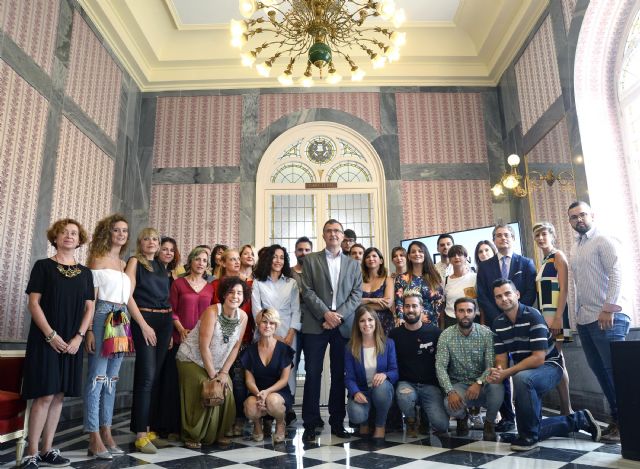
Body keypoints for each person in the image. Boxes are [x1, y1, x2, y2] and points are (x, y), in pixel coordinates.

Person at [487, 279, 601, 451]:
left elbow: (538, 358)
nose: (504, 298)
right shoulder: (497, 324)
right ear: (495, 300)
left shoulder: (533, 315)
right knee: (530, 428)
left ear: (517, 294)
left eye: (507, 293)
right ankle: (579, 419)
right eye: (498, 296)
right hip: (526, 371)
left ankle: (529, 436)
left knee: (521, 379)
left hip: (550, 366)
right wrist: (498, 372)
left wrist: (507, 373)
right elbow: (501, 359)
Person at [20, 219, 94, 469]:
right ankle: (31, 452)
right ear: (55, 237)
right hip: (45, 339)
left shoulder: (86, 273)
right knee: (45, 394)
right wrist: (50, 336)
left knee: (59, 395)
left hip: (72, 341)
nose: (69, 236)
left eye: (74, 233)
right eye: (64, 232)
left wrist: (79, 337)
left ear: (79, 239)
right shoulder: (43, 266)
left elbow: (89, 308)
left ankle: (47, 450)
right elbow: (33, 304)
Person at [567, 201, 631, 442]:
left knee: (615, 373)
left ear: (592, 215)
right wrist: (577, 316)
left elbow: (617, 272)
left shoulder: (604, 239)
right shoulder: (576, 246)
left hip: (608, 317)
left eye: (582, 215)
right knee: (600, 372)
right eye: (574, 217)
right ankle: (617, 420)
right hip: (586, 320)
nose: (579, 219)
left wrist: (608, 307)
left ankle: (628, 424)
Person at [300, 219, 363, 442]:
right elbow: (306, 290)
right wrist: (325, 314)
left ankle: (337, 422)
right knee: (312, 373)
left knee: (339, 375)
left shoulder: (353, 264)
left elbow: (356, 294)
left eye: (337, 231)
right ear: (323, 235)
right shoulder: (310, 260)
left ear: (343, 236)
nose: (333, 234)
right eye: (329, 231)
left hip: (343, 326)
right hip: (316, 323)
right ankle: (310, 423)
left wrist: (338, 316)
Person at [476, 223, 536, 432]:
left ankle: (529, 414)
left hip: (523, 325)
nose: (503, 238)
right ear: (494, 240)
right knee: (499, 368)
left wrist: (516, 315)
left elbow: (530, 292)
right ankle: (508, 417)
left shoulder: (526, 263)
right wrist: (500, 318)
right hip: (496, 326)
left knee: (523, 370)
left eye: (506, 235)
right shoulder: (485, 266)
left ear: (512, 238)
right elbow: (483, 296)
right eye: (498, 235)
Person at [176, 277, 248, 448]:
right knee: (206, 384)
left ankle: (218, 433)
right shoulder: (212, 311)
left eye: (239, 293)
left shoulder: (243, 316)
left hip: (218, 364)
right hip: (191, 358)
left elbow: (235, 348)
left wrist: (223, 373)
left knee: (226, 385)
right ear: (223, 294)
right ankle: (193, 435)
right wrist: (213, 375)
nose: (235, 296)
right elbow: (203, 346)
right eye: (231, 292)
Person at [84, 214, 131, 460]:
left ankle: (107, 431)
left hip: (122, 318)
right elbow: (90, 299)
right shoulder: (97, 259)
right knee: (97, 377)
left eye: (125, 230)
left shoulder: (123, 263)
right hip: (103, 315)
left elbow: (127, 298)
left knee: (112, 379)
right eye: (116, 230)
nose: (121, 234)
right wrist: (90, 330)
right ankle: (93, 435)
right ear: (107, 232)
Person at [156, 247, 215, 439]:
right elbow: (170, 309)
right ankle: (172, 427)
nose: (200, 263)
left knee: (195, 384)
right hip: (179, 338)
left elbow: (213, 314)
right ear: (190, 262)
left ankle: (194, 427)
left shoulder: (210, 288)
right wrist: (181, 329)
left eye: (204, 260)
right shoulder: (178, 284)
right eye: (197, 259)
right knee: (174, 384)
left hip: (201, 344)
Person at [125, 228, 174, 453]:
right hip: (144, 318)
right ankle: (140, 435)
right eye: (147, 238)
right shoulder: (135, 262)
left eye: (155, 239)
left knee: (155, 377)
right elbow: (127, 296)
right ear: (140, 242)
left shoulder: (162, 266)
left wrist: (169, 330)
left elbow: (166, 298)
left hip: (164, 322)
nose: (151, 242)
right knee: (146, 376)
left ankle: (149, 429)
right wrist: (143, 325)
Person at [435, 298, 502, 441]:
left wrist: (479, 383)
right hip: (460, 385)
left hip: (483, 385)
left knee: (498, 387)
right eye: (461, 311)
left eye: (469, 310)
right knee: (449, 404)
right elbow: (440, 367)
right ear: (455, 313)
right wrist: (450, 391)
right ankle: (462, 417)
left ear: (475, 313)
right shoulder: (446, 335)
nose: (465, 314)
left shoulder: (486, 334)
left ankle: (489, 423)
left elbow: (491, 365)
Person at [251, 244, 301, 425]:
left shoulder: (291, 283)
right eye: (274, 257)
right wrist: (272, 335)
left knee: (288, 371)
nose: (278, 260)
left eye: (281, 257)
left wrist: (290, 334)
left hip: (288, 333)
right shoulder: (258, 283)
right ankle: (265, 411)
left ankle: (286, 408)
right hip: (265, 332)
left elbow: (296, 310)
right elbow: (257, 311)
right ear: (268, 259)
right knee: (265, 370)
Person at [389, 290, 449, 437]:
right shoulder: (394, 335)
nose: (410, 310)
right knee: (405, 397)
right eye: (407, 306)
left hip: (430, 386)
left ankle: (424, 415)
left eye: (414, 306)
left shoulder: (436, 333)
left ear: (422, 308)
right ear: (402, 308)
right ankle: (411, 420)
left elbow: (443, 363)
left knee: (442, 425)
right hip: (406, 384)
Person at [211, 249, 254, 436]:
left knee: (238, 381)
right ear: (222, 262)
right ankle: (220, 421)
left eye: (238, 259)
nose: (237, 262)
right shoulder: (215, 285)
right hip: (219, 341)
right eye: (233, 259)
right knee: (221, 379)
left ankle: (238, 420)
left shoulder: (247, 285)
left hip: (243, 340)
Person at [533, 221, 573, 416]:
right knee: (556, 358)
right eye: (537, 235)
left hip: (556, 315)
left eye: (544, 234)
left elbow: (564, 289)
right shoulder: (544, 260)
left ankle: (567, 408)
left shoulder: (558, 256)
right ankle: (565, 408)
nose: (541, 238)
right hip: (545, 315)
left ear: (552, 236)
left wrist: (558, 318)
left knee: (558, 359)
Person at [344, 306, 398, 442]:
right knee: (356, 415)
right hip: (362, 390)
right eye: (362, 320)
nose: (366, 324)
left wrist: (385, 375)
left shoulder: (388, 343)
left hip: (381, 389)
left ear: (376, 322)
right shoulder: (350, 347)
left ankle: (380, 425)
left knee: (382, 388)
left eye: (370, 320)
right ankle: (364, 423)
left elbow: (395, 371)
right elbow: (349, 377)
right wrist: (355, 392)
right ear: (357, 324)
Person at [241, 308, 295, 443]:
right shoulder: (249, 351)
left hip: (279, 392)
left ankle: (281, 423)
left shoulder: (284, 349)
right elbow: (249, 381)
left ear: (276, 326)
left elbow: (284, 380)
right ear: (258, 324)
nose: (268, 326)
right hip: (256, 392)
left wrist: (267, 392)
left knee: (273, 401)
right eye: (264, 322)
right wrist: (259, 394)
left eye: (272, 323)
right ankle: (257, 425)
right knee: (250, 407)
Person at [394, 240, 443, 326]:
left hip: (430, 324)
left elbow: (439, 302)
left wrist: (431, 319)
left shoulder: (435, 277)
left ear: (425, 254)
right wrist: (401, 317)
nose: (417, 254)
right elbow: (399, 302)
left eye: (420, 251)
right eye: (413, 252)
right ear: (409, 256)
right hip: (408, 323)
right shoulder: (401, 278)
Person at [361, 247, 394, 335]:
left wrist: (362, 304)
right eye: (367, 257)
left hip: (384, 323)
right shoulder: (358, 281)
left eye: (374, 256)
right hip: (364, 323)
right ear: (364, 261)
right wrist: (372, 300)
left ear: (381, 261)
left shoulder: (388, 279)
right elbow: (353, 301)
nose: (371, 259)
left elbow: (387, 304)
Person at [442, 245, 477, 329]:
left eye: (460, 254)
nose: (456, 257)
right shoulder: (445, 280)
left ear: (465, 258)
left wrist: (483, 323)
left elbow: (481, 303)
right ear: (450, 260)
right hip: (451, 321)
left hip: (473, 320)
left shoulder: (475, 277)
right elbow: (443, 305)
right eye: (453, 255)